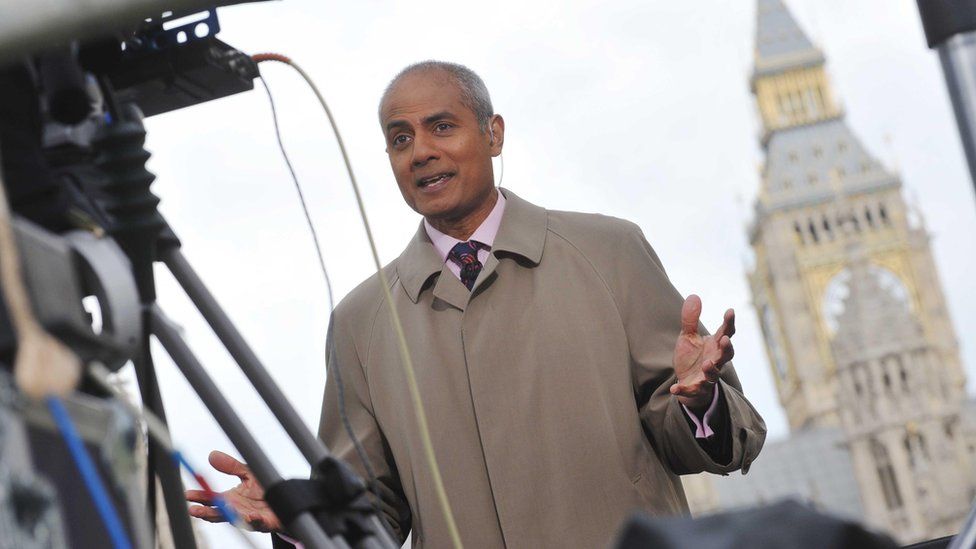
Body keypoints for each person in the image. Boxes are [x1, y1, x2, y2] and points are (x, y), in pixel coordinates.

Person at [186, 61, 767, 548]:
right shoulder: (359, 323)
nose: (420, 152)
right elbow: (371, 515)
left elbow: (715, 441)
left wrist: (701, 401)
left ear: (494, 134)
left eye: (441, 126)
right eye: (400, 138)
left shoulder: (608, 251)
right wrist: (303, 519)